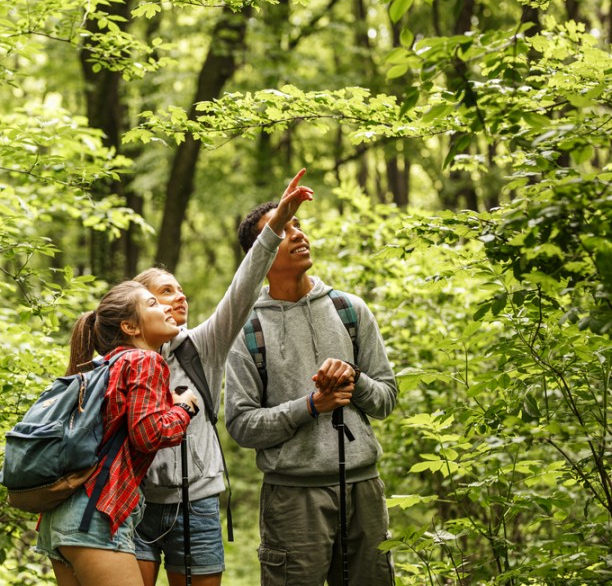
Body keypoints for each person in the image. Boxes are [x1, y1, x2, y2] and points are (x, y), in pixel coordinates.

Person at [133, 169, 314, 586]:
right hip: (133, 502)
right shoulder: (122, 360)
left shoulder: (203, 346)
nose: (179, 297)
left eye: (181, 290)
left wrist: (279, 220)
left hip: (195, 504)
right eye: (164, 291)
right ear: (137, 308)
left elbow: (245, 287)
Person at [225, 202, 398, 585]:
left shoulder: (350, 310)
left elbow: (386, 398)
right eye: (284, 229)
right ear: (262, 252)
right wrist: (309, 407)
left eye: (299, 225)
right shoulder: (247, 327)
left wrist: (354, 379)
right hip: (293, 500)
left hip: (363, 491)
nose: (299, 234)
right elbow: (240, 425)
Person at [35, 280, 200, 586]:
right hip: (94, 516)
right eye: (152, 304)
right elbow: (147, 435)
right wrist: (183, 410)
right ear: (130, 327)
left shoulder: (105, 364)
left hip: (62, 516)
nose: (165, 308)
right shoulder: (145, 360)